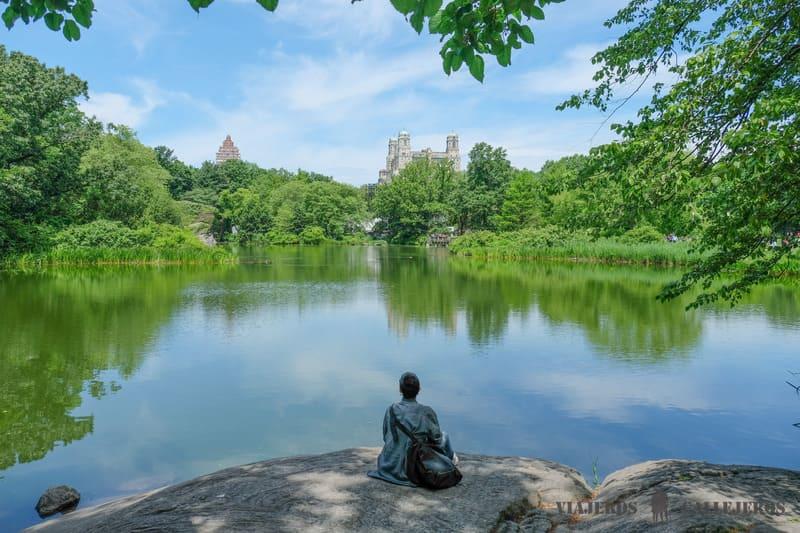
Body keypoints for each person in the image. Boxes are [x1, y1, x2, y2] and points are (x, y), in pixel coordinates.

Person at [367, 372, 458, 486]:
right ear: (419, 390)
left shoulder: (391, 410)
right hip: (412, 467)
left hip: (389, 465)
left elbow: (386, 437)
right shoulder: (426, 412)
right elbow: (437, 441)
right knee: (444, 436)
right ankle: (449, 461)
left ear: (400, 389)